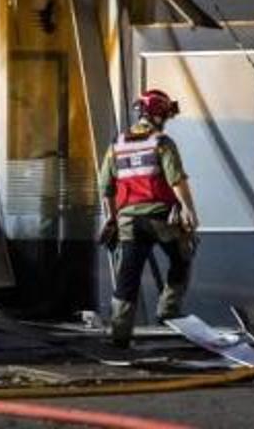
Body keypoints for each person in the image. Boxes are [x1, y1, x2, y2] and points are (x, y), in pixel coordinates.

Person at [97, 88, 199, 348]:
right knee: (182, 256)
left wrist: (112, 219)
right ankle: (168, 311)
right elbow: (176, 179)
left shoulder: (117, 145)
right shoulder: (161, 142)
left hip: (129, 222)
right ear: (159, 114)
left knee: (128, 275)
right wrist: (189, 210)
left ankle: (120, 334)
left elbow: (105, 188)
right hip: (160, 218)